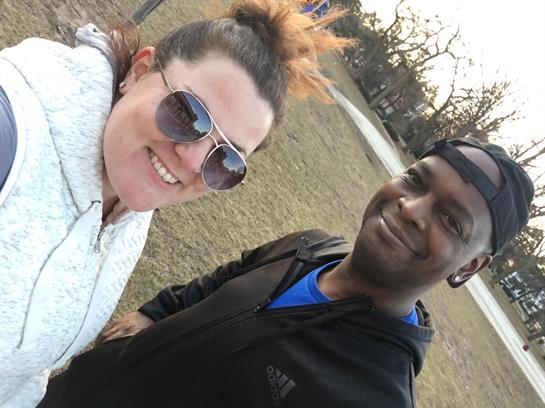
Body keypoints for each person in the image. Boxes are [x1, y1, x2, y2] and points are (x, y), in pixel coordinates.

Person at [0, 1, 352, 406]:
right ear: (139, 71)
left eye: (225, 158)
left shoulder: (131, 208)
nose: (192, 161)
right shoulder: (13, 132)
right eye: (187, 113)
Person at [39, 137, 534, 407]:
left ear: (470, 265)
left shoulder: (376, 395)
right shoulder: (311, 244)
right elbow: (221, 279)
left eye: (450, 221)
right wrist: (153, 313)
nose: (411, 208)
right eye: (415, 180)